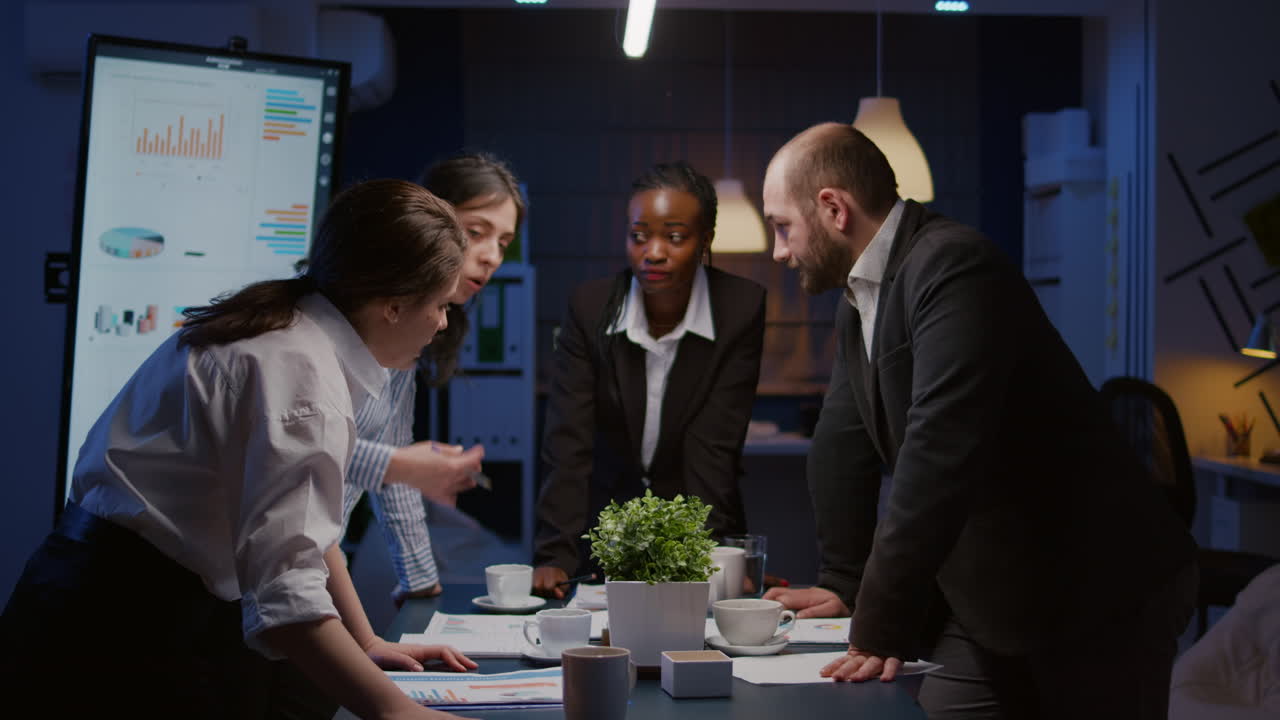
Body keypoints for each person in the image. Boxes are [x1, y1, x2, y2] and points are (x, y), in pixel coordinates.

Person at [759, 123, 1197, 719]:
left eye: (783, 226)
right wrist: (844, 580)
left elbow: (937, 454)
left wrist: (881, 621)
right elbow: (842, 442)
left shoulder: (953, 266)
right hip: (989, 593)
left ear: (833, 208)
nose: (778, 251)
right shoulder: (860, 296)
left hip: (1095, 587)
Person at [1, 179, 479, 719]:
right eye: (440, 304)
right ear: (392, 305)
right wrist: (396, 710)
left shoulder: (285, 327)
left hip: (88, 597)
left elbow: (303, 531)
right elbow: (286, 595)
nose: (442, 324)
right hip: (114, 629)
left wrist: (366, 643)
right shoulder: (302, 377)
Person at [532, 161, 766, 598]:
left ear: (705, 241)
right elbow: (568, 440)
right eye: (639, 236)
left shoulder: (739, 308)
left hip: (692, 534)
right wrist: (554, 553)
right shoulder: (590, 307)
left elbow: (713, 446)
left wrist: (712, 555)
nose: (652, 252)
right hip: (596, 535)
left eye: (674, 237)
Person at [341, 152, 525, 606]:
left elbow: (391, 462)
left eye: (504, 243)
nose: (491, 257)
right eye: (476, 232)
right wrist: (404, 465)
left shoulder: (410, 330)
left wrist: (421, 585)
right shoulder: (341, 320)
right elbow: (296, 446)